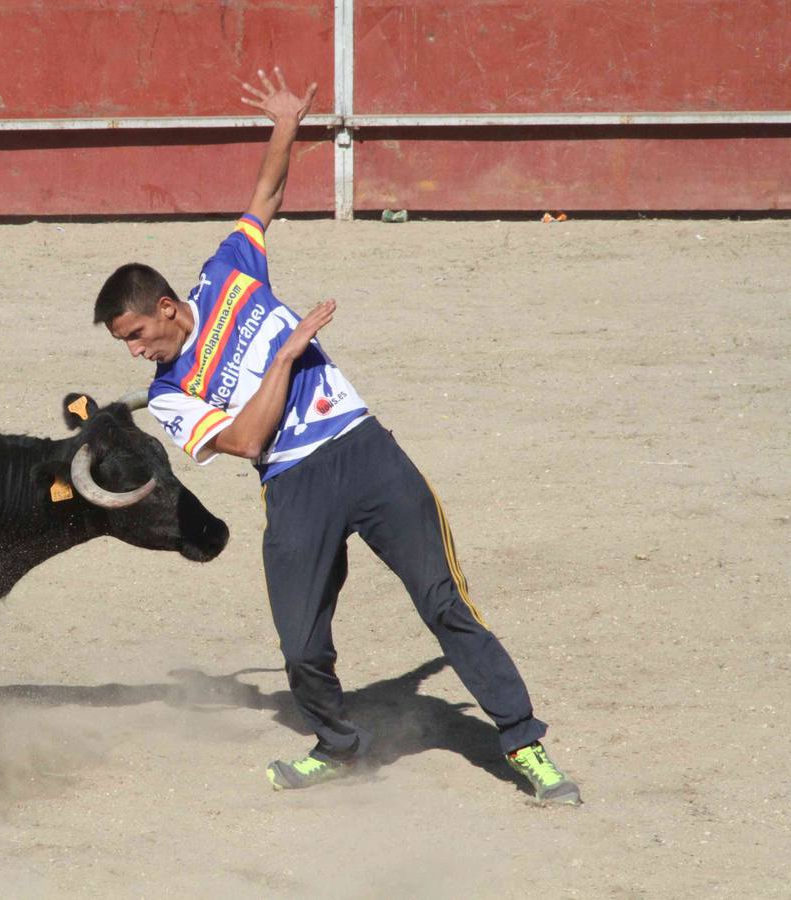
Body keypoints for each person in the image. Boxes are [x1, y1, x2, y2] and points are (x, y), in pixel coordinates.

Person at [92, 66, 580, 804]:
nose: (135, 352)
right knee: (301, 646)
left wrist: (287, 123)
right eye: (125, 345)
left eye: (135, 334)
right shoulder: (171, 395)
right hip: (293, 484)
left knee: (443, 601)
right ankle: (339, 744)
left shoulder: (226, 273)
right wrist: (285, 357)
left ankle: (523, 742)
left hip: (364, 450)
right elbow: (251, 441)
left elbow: (265, 198)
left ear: (165, 306)